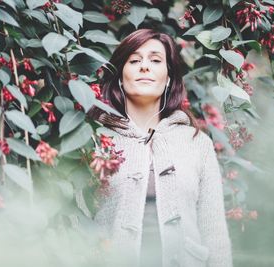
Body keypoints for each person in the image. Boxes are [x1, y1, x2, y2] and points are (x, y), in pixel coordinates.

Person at [92, 29, 233, 267]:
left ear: (168, 78)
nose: (144, 67)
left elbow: (214, 232)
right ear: (119, 76)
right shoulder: (95, 138)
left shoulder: (197, 143)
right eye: (134, 60)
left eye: (156, 60)